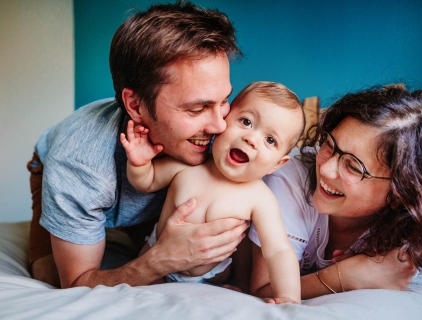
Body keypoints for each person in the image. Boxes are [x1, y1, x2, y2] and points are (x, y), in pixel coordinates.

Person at [27, 1, 250, 289]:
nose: (220, 126)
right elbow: (77, 283)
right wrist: (162, 259)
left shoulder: (224, 133)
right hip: (59, 167)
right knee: (49, 273)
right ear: (135, 105)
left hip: (148, 192)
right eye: (197, 109)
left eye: (223, 100)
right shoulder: (78, 164)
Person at [249, 84, 422, 299]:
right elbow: (263, 289)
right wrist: (345, 277)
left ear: (400, 193)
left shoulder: (415, 231)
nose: (325, 169)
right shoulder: (290, 175)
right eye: (329, 144)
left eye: (353, 167)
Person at [122, 81, 304, 304]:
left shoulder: (260, 198)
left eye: (270, 140)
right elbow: (146, 182)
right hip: (157, 253)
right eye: (246, 121)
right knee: (135, 296)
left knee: (232, 287)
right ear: (224, 121)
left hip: (212, 275)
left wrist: (288, 296)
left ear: (278, 163)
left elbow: (278, 250)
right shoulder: (189, 165)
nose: (251, 139)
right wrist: (139, 164)